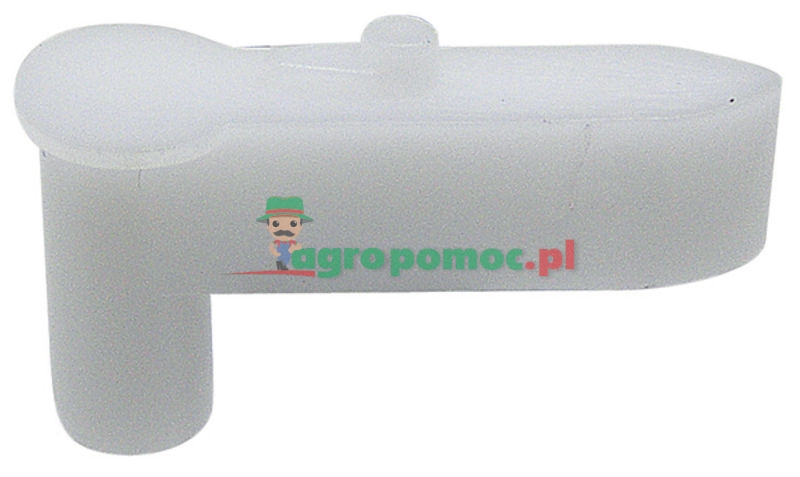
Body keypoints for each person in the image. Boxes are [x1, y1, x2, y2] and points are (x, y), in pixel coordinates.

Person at [256, 196, 313, 270]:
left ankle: (284, 266)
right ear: (268, 225)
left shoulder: (291, 242)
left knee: (287, 258)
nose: (284, 228)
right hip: (280, 251)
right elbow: (271, 245)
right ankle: (281, 265)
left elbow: (299, 246)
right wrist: (273, 251)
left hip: (288, 253)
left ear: (300, 226)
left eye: (293, 223)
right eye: (276, 223)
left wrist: (294, 249)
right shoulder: (277, 242)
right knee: (281, 259)